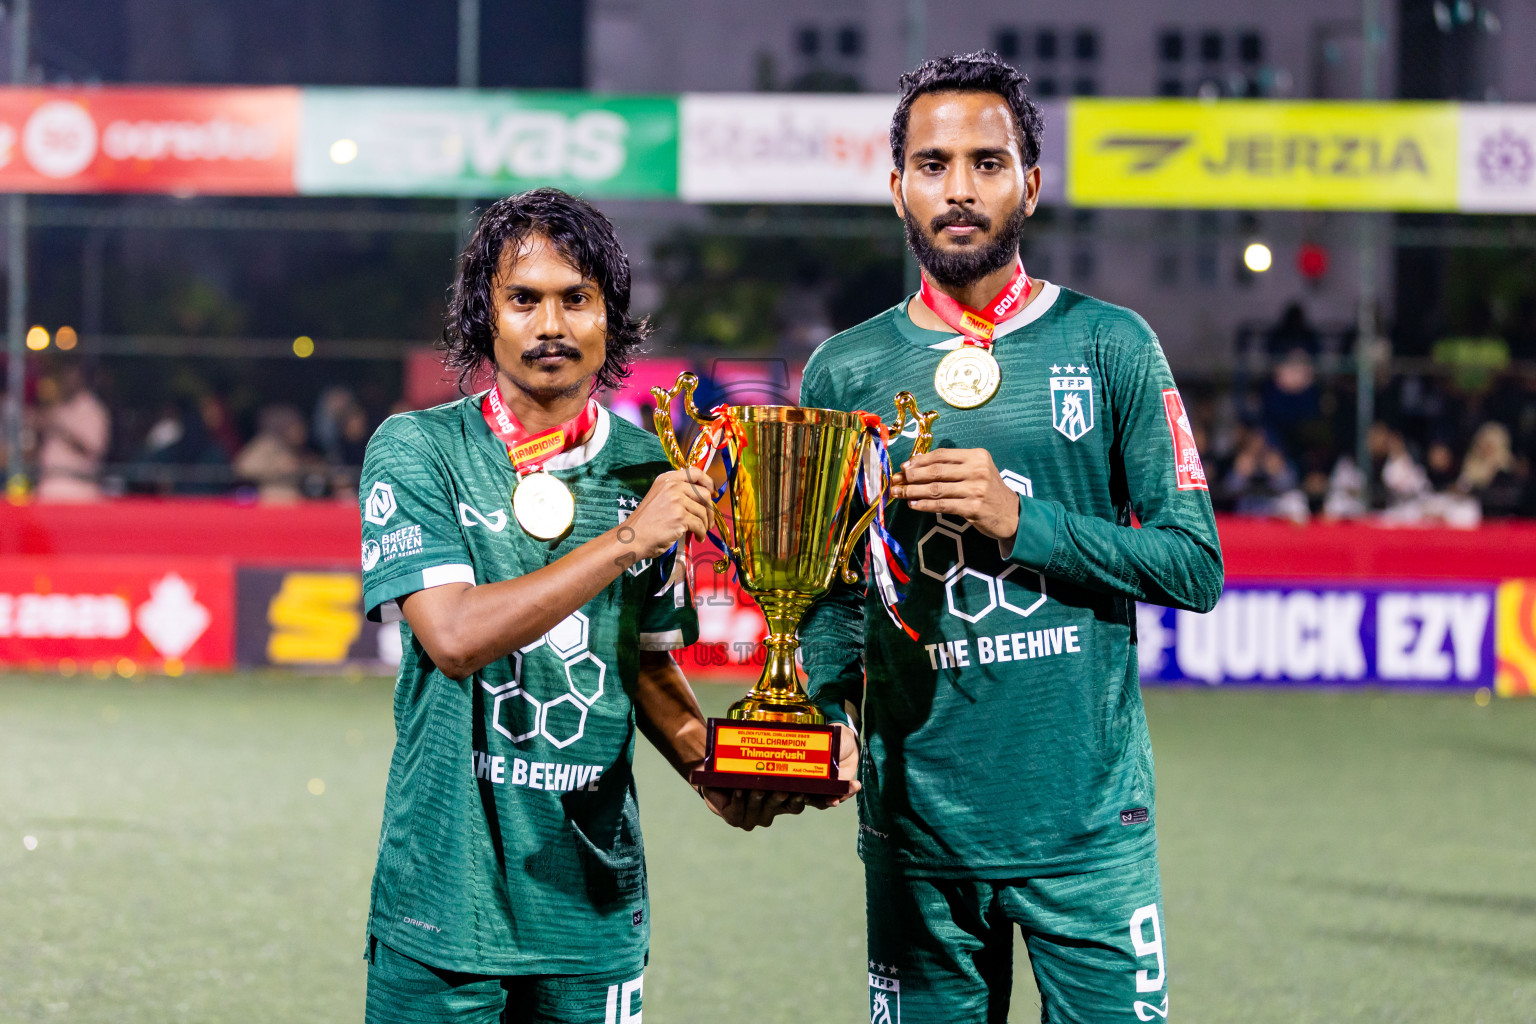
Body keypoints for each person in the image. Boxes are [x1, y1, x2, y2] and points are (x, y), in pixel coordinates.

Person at [798, 53, 1223, 1023]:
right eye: (933, 164)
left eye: (987, 163)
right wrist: (822, 711)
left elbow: (1194, 563)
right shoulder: (843, 372)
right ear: (897, 187)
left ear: (1030, 184)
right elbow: (827, 593)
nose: (959, 188)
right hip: (917, 837)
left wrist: (1021, 522)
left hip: (1088, 834)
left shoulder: (1111, 344)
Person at [358, 188, 796, 1024]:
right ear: (484, 317)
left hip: (591, 914)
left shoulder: (648, 467)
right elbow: (452, 636)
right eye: (523, 299)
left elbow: (644, 662)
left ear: (610, 319)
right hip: (444, 908)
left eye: (577, 298)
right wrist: (628, 538)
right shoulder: (419, 450)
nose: (550, 324)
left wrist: (714, 767)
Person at [35, 363, 111, 502]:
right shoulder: (60, 406)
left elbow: (92, 450)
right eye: (65, 375)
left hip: (77, 489)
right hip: (50, 485)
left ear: (81, 379)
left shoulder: (92, 410)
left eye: (72, 376)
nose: (67, 380)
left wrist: (60, 430)